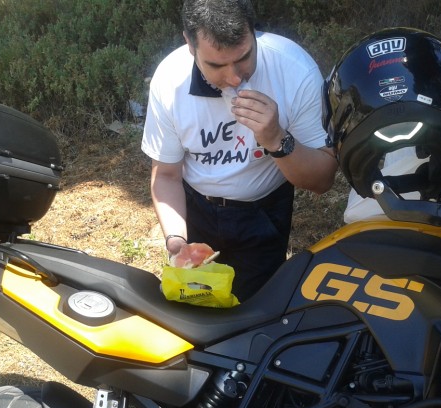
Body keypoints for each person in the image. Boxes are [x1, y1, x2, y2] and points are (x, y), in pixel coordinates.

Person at [141, 0, 338, 301]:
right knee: (199, 310)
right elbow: (166, 175)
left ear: (254, 32)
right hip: (197, 209)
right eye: (216, 65)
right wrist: (177, 239)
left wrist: (276, 139)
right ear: (189, 46)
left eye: (244, 58)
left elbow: (323, 179)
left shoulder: (294, 70)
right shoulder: (170, 82)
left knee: (258, 311)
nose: (234, 77)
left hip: (264, 210)